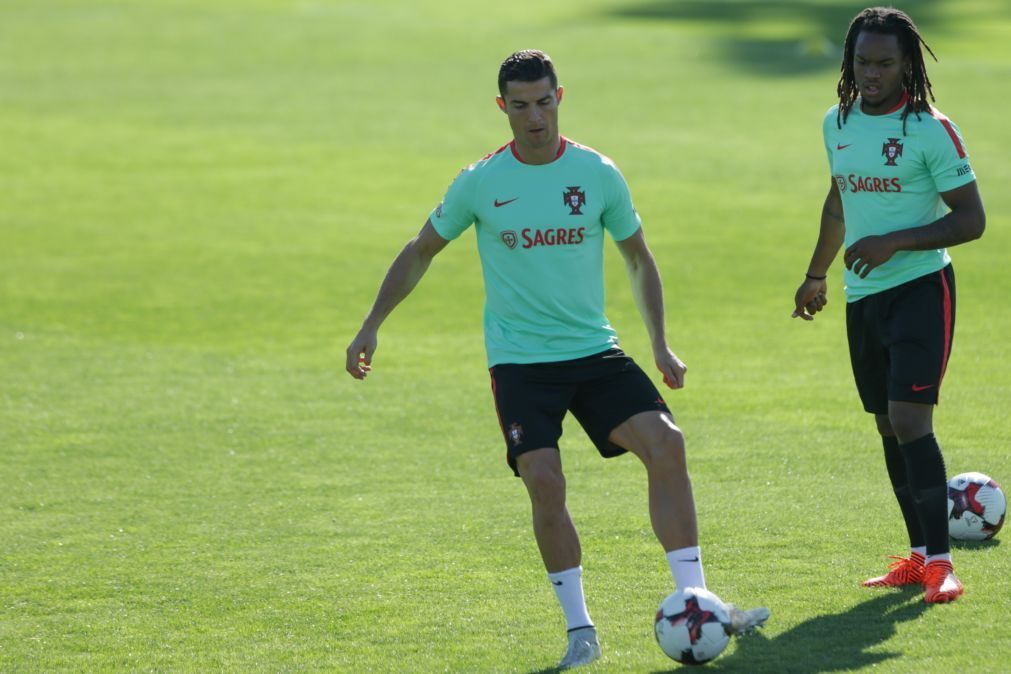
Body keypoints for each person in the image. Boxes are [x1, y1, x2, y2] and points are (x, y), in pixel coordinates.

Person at [346, 50, 768, 668]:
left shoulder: (597, 173)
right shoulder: (481, 183)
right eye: (520, 106)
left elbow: (638, 258)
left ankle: (698, 599)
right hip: (520, 365)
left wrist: (658, 343)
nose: (534, 116)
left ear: (559, 97)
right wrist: (370, 326)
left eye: (544, 102)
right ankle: (581, 633)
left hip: (594, 352)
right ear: (503, 108)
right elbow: (420, 251)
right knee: (544, 480)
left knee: (667, 443)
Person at [792, 8, 986, 604]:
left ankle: (943, 565)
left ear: (907, 64)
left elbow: (972, 219)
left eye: (884, 63)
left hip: (923, 290)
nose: (871, 74)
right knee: (885, 424)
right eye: (862, 62)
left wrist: (894, 241)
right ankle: (919, 556)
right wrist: (816, 272)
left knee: (909, 421)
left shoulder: (931, 129)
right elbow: (839, 197)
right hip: (863, 298)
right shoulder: (838, 121)